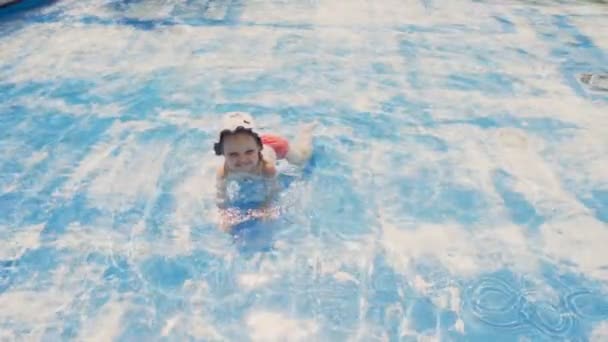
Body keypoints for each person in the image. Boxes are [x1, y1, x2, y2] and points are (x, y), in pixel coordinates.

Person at [213, 112, 316, 231]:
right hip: (251, 140)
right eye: (233, 154)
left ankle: (305, 132)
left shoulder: (267, 168)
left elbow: (273, 190)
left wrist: (266, 206)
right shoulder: (224, 171)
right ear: (223, 154)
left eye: (249, 152)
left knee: (301, 158)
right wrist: (224, 214)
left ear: (259, 148)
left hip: (275, 145)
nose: (243, 159)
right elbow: (221, 195)